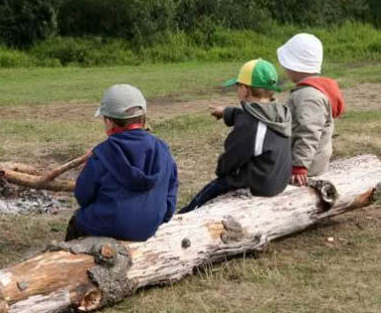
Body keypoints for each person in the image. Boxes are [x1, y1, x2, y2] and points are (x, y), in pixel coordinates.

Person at [65, 84, 178, 242]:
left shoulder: (102, 154)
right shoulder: (163, 149)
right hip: (149, 227)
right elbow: (170, 197)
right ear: (143, 117)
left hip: (108, 225)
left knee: (77, 221)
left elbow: (83, 196)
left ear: (110, 122)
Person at [178, 59, 292, 214]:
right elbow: (246, 114)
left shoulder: (250, 123)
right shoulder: (279, 112)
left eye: (237, 86)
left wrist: (221, 171)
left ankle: (184, 217)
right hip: (278, 178)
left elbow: (233, 156)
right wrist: (226, 113)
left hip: (260, 185)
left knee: (208, 192)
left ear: (245, 90)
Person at [277, 33, 345, 186]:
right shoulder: (310, 91)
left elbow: (309, 132)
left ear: (295, 65)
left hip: (307, 166)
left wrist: (299, 166)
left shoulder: (309, 96)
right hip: (309, 160)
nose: (284, 68)